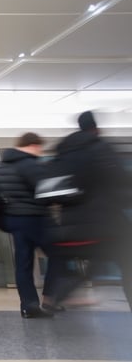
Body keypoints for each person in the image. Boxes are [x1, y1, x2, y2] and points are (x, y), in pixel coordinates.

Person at [39, 111, 132, 311]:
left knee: (91, 261)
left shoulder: (61, 154)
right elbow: (121, 180)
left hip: (70, 229)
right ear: (95, 128)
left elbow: (48, 191)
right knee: (127, 261)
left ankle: (61, 295)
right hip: (106, 223)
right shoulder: (101, 148)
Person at [0, 132, 54, 318]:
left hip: (15, 219)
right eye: (40, 147)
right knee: (60, 255)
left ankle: (28, 305)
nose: (40, 151)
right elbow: (45, 190)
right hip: (35, 217)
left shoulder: (1, 166)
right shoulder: (28, 163)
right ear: (33, 145)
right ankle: (51, 299)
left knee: (23, 265)